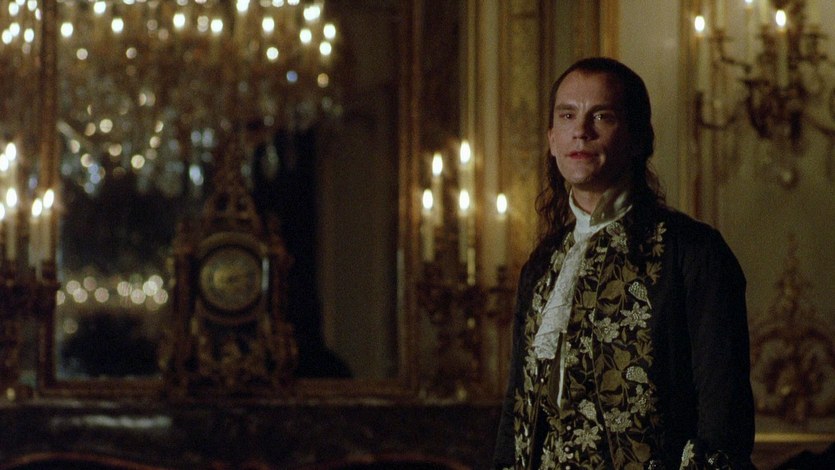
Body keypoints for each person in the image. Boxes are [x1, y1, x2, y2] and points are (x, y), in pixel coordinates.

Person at [493, 57, 755, 469]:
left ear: (637, 139)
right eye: (567, 115)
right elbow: (517, 405)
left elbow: (724, 414)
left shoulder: (692, 252)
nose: (581, 130)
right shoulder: (543, 263)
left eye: (602, 116)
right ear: (552, 139)